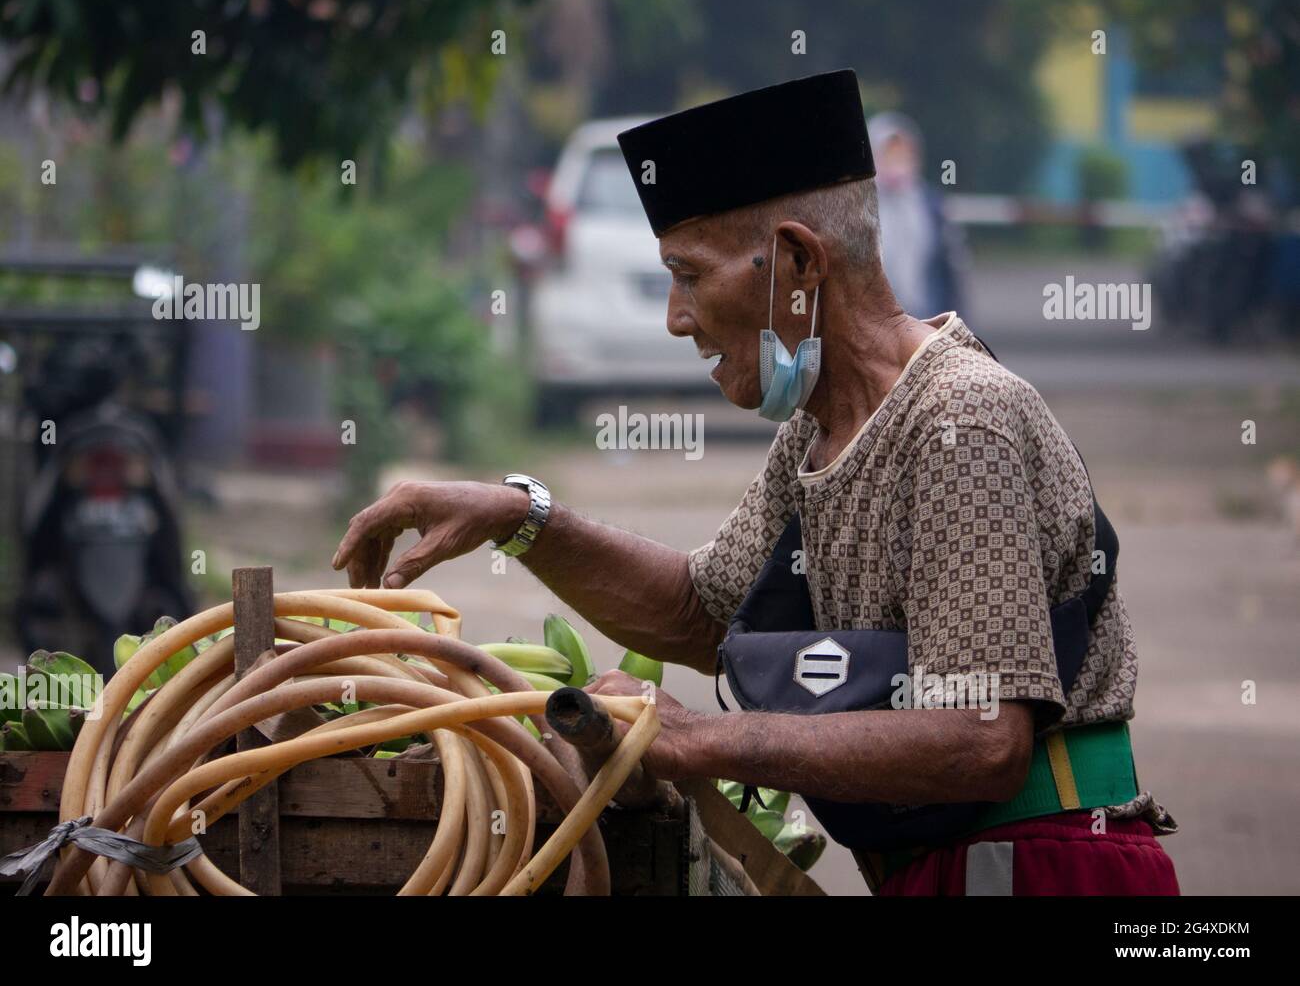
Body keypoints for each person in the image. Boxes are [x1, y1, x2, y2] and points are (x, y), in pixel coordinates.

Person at [331, 70, 1179, 895]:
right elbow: (707, 613)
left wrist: (703, 739)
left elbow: (983, 737)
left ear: (796, 262)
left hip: (1046, 865)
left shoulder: (961, 419)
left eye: (690, 274)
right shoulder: (821, 430)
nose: (676, 316)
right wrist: (516, 518)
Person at [868, 111, 969, 322]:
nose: (896, 161)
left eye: (902, 154)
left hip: (926, 319)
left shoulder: (931, 204)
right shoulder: (862, 204)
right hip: (876, 323)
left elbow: (951, 269)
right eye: (889, 154)